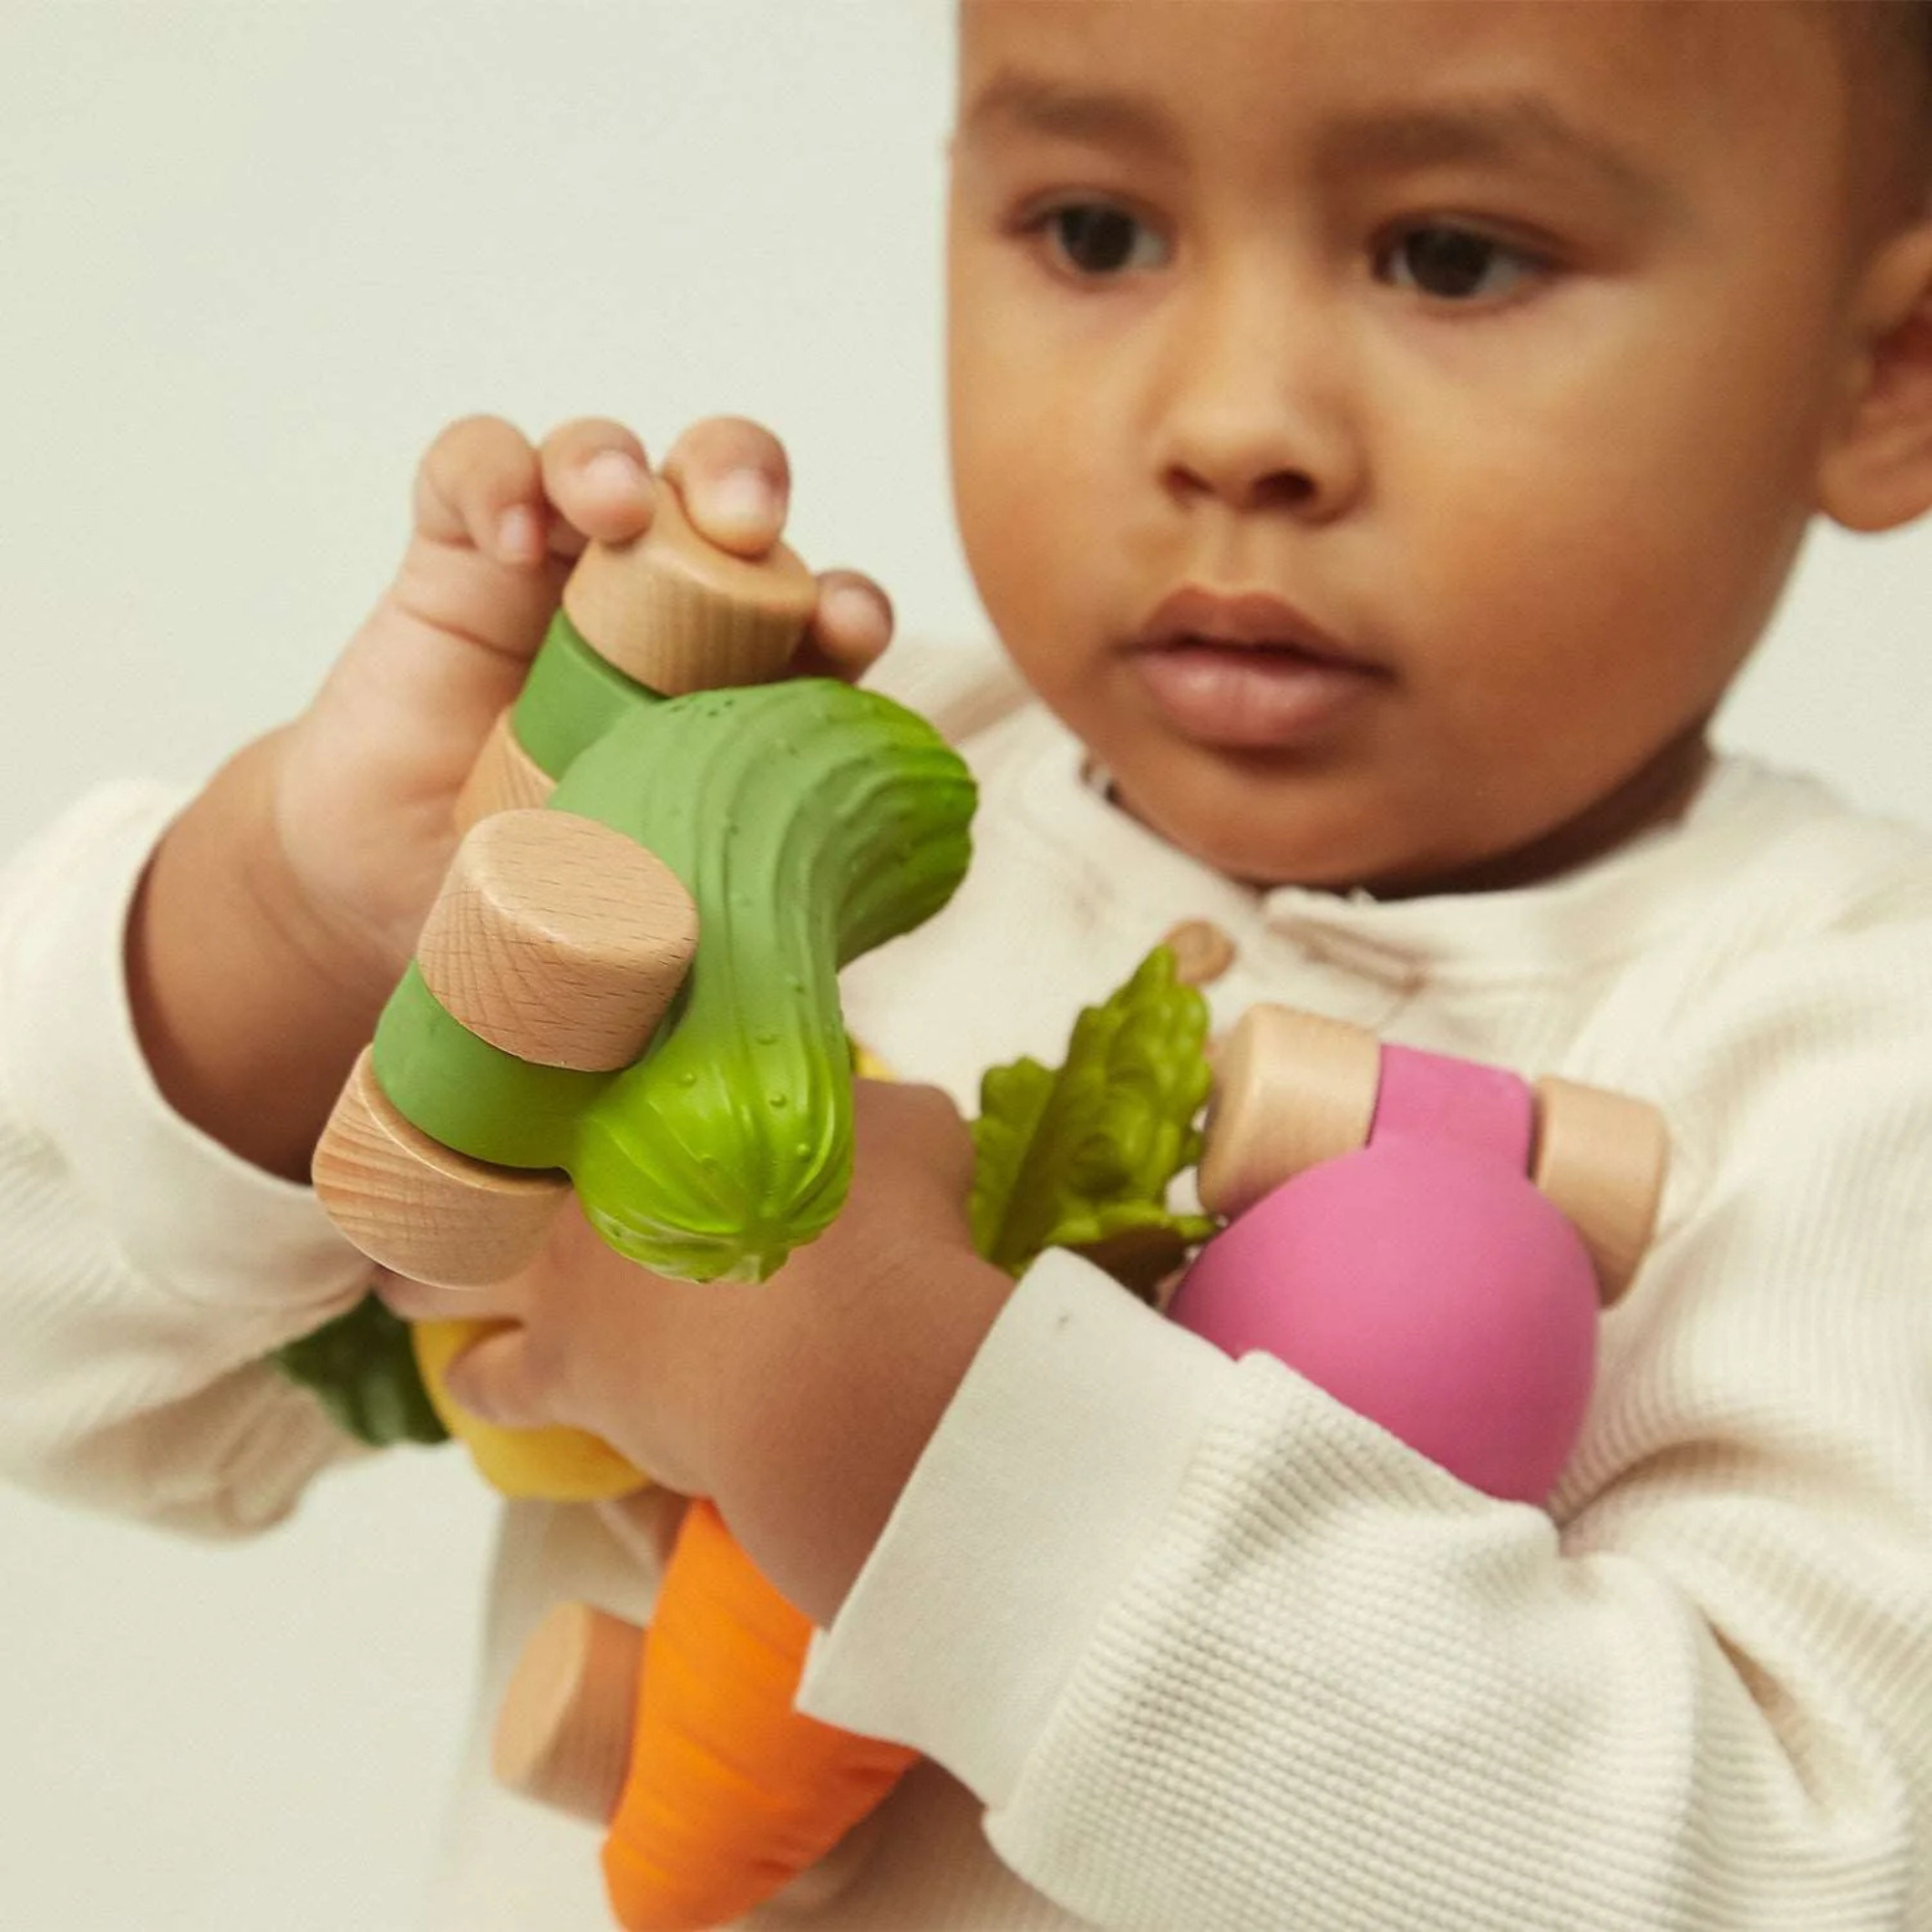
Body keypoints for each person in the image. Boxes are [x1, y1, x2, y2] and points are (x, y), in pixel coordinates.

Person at [7, 1, 1932, 1924]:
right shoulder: (776, 819)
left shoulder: (1853, 1061)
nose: (1229, 422)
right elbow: (79, 1387)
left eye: (1451, 255)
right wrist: (279, 938)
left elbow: (1802, 1869)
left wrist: (930, 1440)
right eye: (1095, 231)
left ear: (1883, 369)